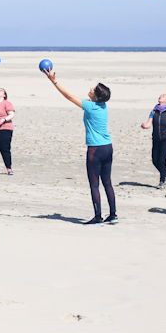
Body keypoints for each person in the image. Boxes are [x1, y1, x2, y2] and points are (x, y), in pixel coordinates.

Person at [43, 68, 117, 225]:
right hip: (107, 147)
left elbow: (69, 96)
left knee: (94, 185)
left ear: (96, 95)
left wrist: (54, 82)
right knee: (107, 182)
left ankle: (98, 217)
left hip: (95, 149)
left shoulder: (90, 106)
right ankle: (113, 215)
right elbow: (88, 101)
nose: (90, 88)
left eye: (93, 88)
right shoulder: (103, 105)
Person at [140, 94, 166, 188]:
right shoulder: (154, 111)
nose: (160, 96)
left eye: (163, 96)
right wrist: (144, 126)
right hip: (156, 139)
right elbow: (149, 124)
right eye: (160, 96)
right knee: (155, 160)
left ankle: (162, 181)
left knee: (162, 160)